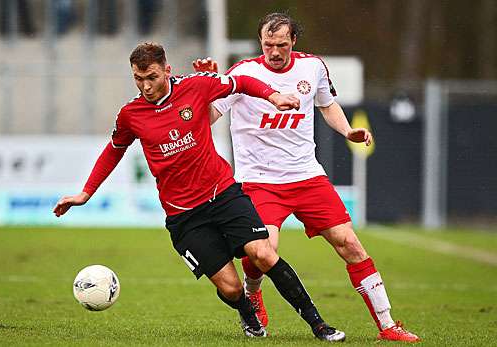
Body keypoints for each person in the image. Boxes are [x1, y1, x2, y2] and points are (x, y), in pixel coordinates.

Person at [53, 42, 345, 341]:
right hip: (185, 216)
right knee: (230, 287)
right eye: (139, 79)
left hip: (224, 194)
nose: (146, 86)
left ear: (167, 70)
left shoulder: (197, 86)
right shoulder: (130, 114)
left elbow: (241, 82)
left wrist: (273, 95)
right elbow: (113, 150)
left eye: (152, 77)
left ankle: (319, 325)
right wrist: (85, 193)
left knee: (263, 253)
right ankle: (246, 311)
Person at [192, 12, 420, 343]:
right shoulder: (243, 73)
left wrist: (347, 131)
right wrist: (205, 90)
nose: (273, 51)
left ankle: (388, 325)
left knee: (350, 244)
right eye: (267, 44)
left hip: (306, 175)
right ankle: (253, 293)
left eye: (281, 44)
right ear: (260, 43)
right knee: (261, 250)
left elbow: (327, 105)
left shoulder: (313, 68)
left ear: (293, 41)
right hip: (259, 179)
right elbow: (209, 115)